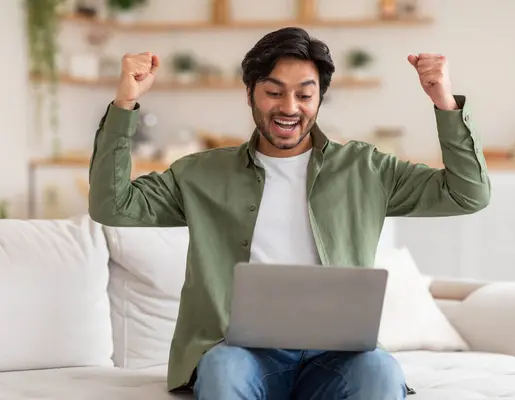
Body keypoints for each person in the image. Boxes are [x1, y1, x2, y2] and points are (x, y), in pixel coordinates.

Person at [88, 27, 490, 400]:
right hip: (240, 353)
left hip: (338, 356)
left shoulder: (367, 169)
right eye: (274, 92)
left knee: (381, 373)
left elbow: (467, 194)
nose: (289, 107)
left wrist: (445, 103)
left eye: (304, 94)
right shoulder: (200, 174)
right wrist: (125, 104)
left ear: (319, 99)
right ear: (250, 94)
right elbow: (113, 205)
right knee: (224, 370)